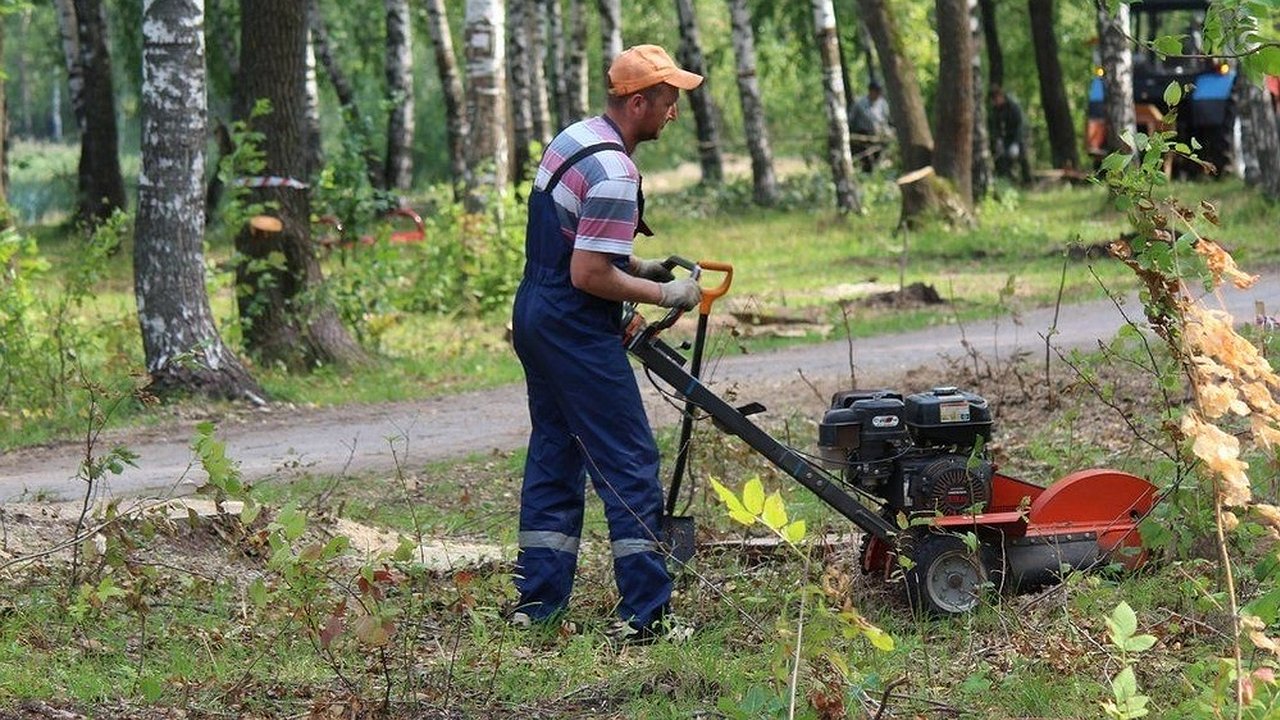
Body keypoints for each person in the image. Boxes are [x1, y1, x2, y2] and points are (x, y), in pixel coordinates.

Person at [509, 44, 704, 641]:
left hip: (536, 313)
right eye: (668, 102)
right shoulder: (617, 172)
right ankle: (645, 616)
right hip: (574, 322)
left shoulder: (574, 139)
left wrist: (639, 266)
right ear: (638, 101)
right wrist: (671, 296)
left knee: (555, 452)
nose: (673, 113)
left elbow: (576, 242)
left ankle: (536, 606)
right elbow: (589, 274)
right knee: (627, 460)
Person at [989, 85, 1032, 185]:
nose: (995, 103)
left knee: (1022, 158)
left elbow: (1020, 125)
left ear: (1000, 97)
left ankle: (1028, 181)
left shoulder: (1013, 107)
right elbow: (996, 126)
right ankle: (1008, 181)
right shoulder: (996, 110)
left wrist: (1016, 143)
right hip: (1006, 137)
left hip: (1019, 136)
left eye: (996, 100)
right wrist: (998, 139)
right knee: (1004, 159)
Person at [851, 81, 892, 172]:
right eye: (876, 91)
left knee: (878, 156)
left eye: (879, 92)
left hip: (878, 135)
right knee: (866, 159)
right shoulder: (859, 103)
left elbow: (885, 120)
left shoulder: (883, 103)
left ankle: (877, 173)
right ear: (870, 91)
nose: (877, 94)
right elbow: (852, 120)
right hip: (862, 135)